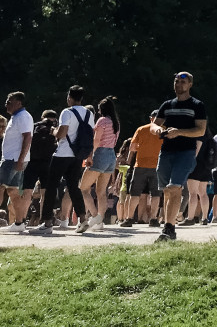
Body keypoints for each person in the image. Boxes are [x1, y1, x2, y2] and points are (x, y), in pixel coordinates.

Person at [151, 71, 208, 242]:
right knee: (167, 190)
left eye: (183, 82)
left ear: (190, 84)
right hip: (167, 151)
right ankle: (170, 225)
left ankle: (169, 228)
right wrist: (160, 130)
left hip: (186, 152)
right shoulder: (167, 105)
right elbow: (153, 126)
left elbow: (201, 130)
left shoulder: (197, 105)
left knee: (175, 187)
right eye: (176, 81)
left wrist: (179, 132)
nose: (179, 85)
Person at [33, 85, 94, 234]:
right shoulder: (88, 114)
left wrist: (53, 131)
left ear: (69, 97)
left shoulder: (67, 112)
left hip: (63, 153)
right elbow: (91, 135)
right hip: (77, 155)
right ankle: (82, 219)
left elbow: (61, 133)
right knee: (74, 187)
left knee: (51, 186)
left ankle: (47, 222)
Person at [78, 96, 120, 232]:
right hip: (111, 156)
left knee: (83, 188)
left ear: (101, 109)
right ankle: (100, 220)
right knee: (101, 192)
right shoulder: (116, 123)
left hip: (100, 154)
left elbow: (96, 140)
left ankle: (95, 216)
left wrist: (90, 155)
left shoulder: (102, 121)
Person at [120, 111, 163, 227]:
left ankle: (129, 219)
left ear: (151, 118)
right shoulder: (164, 131)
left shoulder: (141, 129)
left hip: (140, 166)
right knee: (155, 194)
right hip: (157, 166)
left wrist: (143, 146)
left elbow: (132, 148)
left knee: (135, 193)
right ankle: (153, 219)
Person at [2, 92, 34, 233]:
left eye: (10, 101)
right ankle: (19, 222)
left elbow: (28, 137)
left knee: (1, 187)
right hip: (14, 159)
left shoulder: (22, 117)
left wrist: (20, 160)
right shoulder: (16, 116)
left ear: (19, 103)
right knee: (13, 191)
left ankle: (19, 222)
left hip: (13, 159)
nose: (6, 103)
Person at [24, 110, 57, 226]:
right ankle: (44, 219)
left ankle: (21, 219)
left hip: (32, 162)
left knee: (27, 191)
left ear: (43, 117)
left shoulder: (35, 126)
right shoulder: (55, 129)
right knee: (45, 193)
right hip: (48, 163)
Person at [183, 132, 216, 225]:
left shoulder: (197, 134)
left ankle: (190, 218)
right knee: (203, 193)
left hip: (196, 166)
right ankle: (205, 218)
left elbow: (196, 151)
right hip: (206, 166)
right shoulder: (209, 137)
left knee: (192, 193)